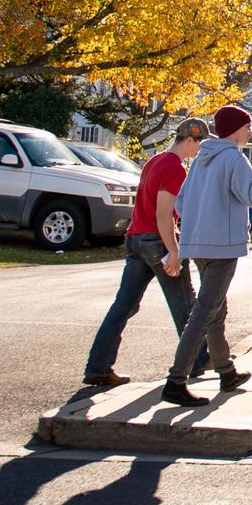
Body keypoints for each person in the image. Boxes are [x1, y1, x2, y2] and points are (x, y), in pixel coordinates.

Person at [159, 104, 252, 408]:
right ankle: (176, 380)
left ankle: (226, 371)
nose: (251, 132)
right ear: (235, 129)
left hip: (198, 245)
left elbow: (180, 203)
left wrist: (198, 224)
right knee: (205, 311)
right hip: (221, 246)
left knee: (216, 309)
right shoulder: (233, 158)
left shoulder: (201, 159)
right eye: (248, 126)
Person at [81, 118, 211, 386]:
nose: (199, 149)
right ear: (190, 140)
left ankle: (98, 366)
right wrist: (173, 251)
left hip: (135, 239)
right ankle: (198, 360)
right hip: (158, 241)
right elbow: (164, 215)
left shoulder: (154, 162)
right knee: (185, 304)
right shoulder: (175, 169)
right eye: (199, 143)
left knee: (123, 305)